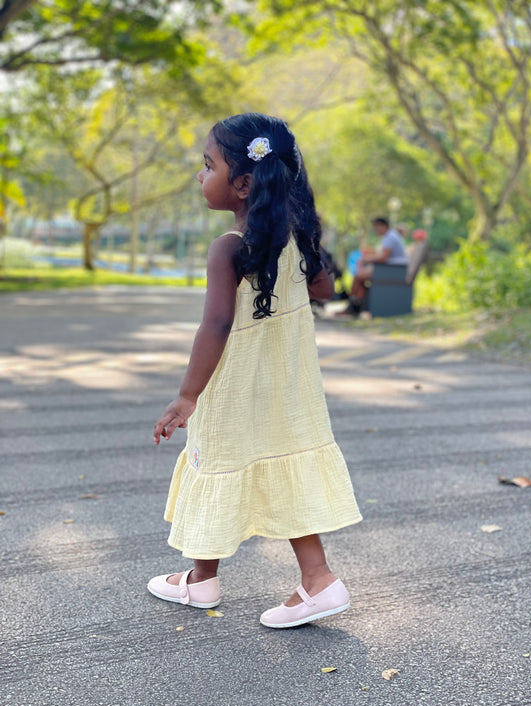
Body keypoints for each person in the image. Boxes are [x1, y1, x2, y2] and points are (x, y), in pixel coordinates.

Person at [149, 113, 362, 628]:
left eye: (208, 165)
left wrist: (187, 395)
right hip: (287, 390)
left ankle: (207, 581)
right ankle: (313, 580)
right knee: (282, 469)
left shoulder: (230, 248)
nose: (200, 176)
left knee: (215, 464)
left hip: (231, 390)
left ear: (243, 184)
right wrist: (303, 239)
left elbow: (217, 325)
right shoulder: (292, 242)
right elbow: (325, 290)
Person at [345, 217, 408, 314]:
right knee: (360, 278)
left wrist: (366, 258)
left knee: (358, 277)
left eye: (376, 227)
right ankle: (356, 307)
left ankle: (349, 308)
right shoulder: (389, 236)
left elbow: (383, 258)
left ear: (384, 226)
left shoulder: (390, 237)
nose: (375, 230)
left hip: (393, 270)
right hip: (391, 269)